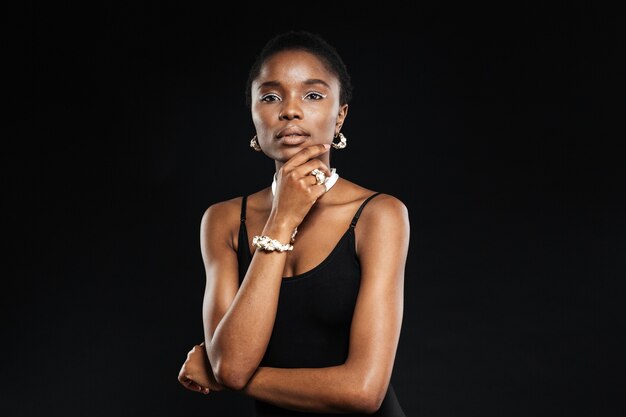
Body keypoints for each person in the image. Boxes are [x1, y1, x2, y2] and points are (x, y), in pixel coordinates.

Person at [177, 30, 410, 416]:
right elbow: (231, 361)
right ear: (253, 115)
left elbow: (364, 392)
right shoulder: (223, 221)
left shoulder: (378, 214)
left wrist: (223, 374)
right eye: (270, 97)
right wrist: (282, 218)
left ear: (340, 115)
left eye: (313, 95)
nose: (290, 110)